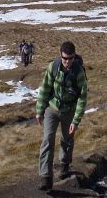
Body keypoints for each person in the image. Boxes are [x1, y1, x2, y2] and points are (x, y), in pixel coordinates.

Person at [36, 41, 88, 191]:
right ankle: (46, 177)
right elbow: (45, 88)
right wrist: (39, 111)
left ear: (74, 56)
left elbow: (82, 98)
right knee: (47, 139)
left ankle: (64, 165)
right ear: (60, 55)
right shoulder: (53, 67)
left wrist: (76, 121)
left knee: (67, 139)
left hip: (69, 110)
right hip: (52, 108)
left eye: (70, 58)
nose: (67, 62)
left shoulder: (79, 72)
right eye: (64, 58)